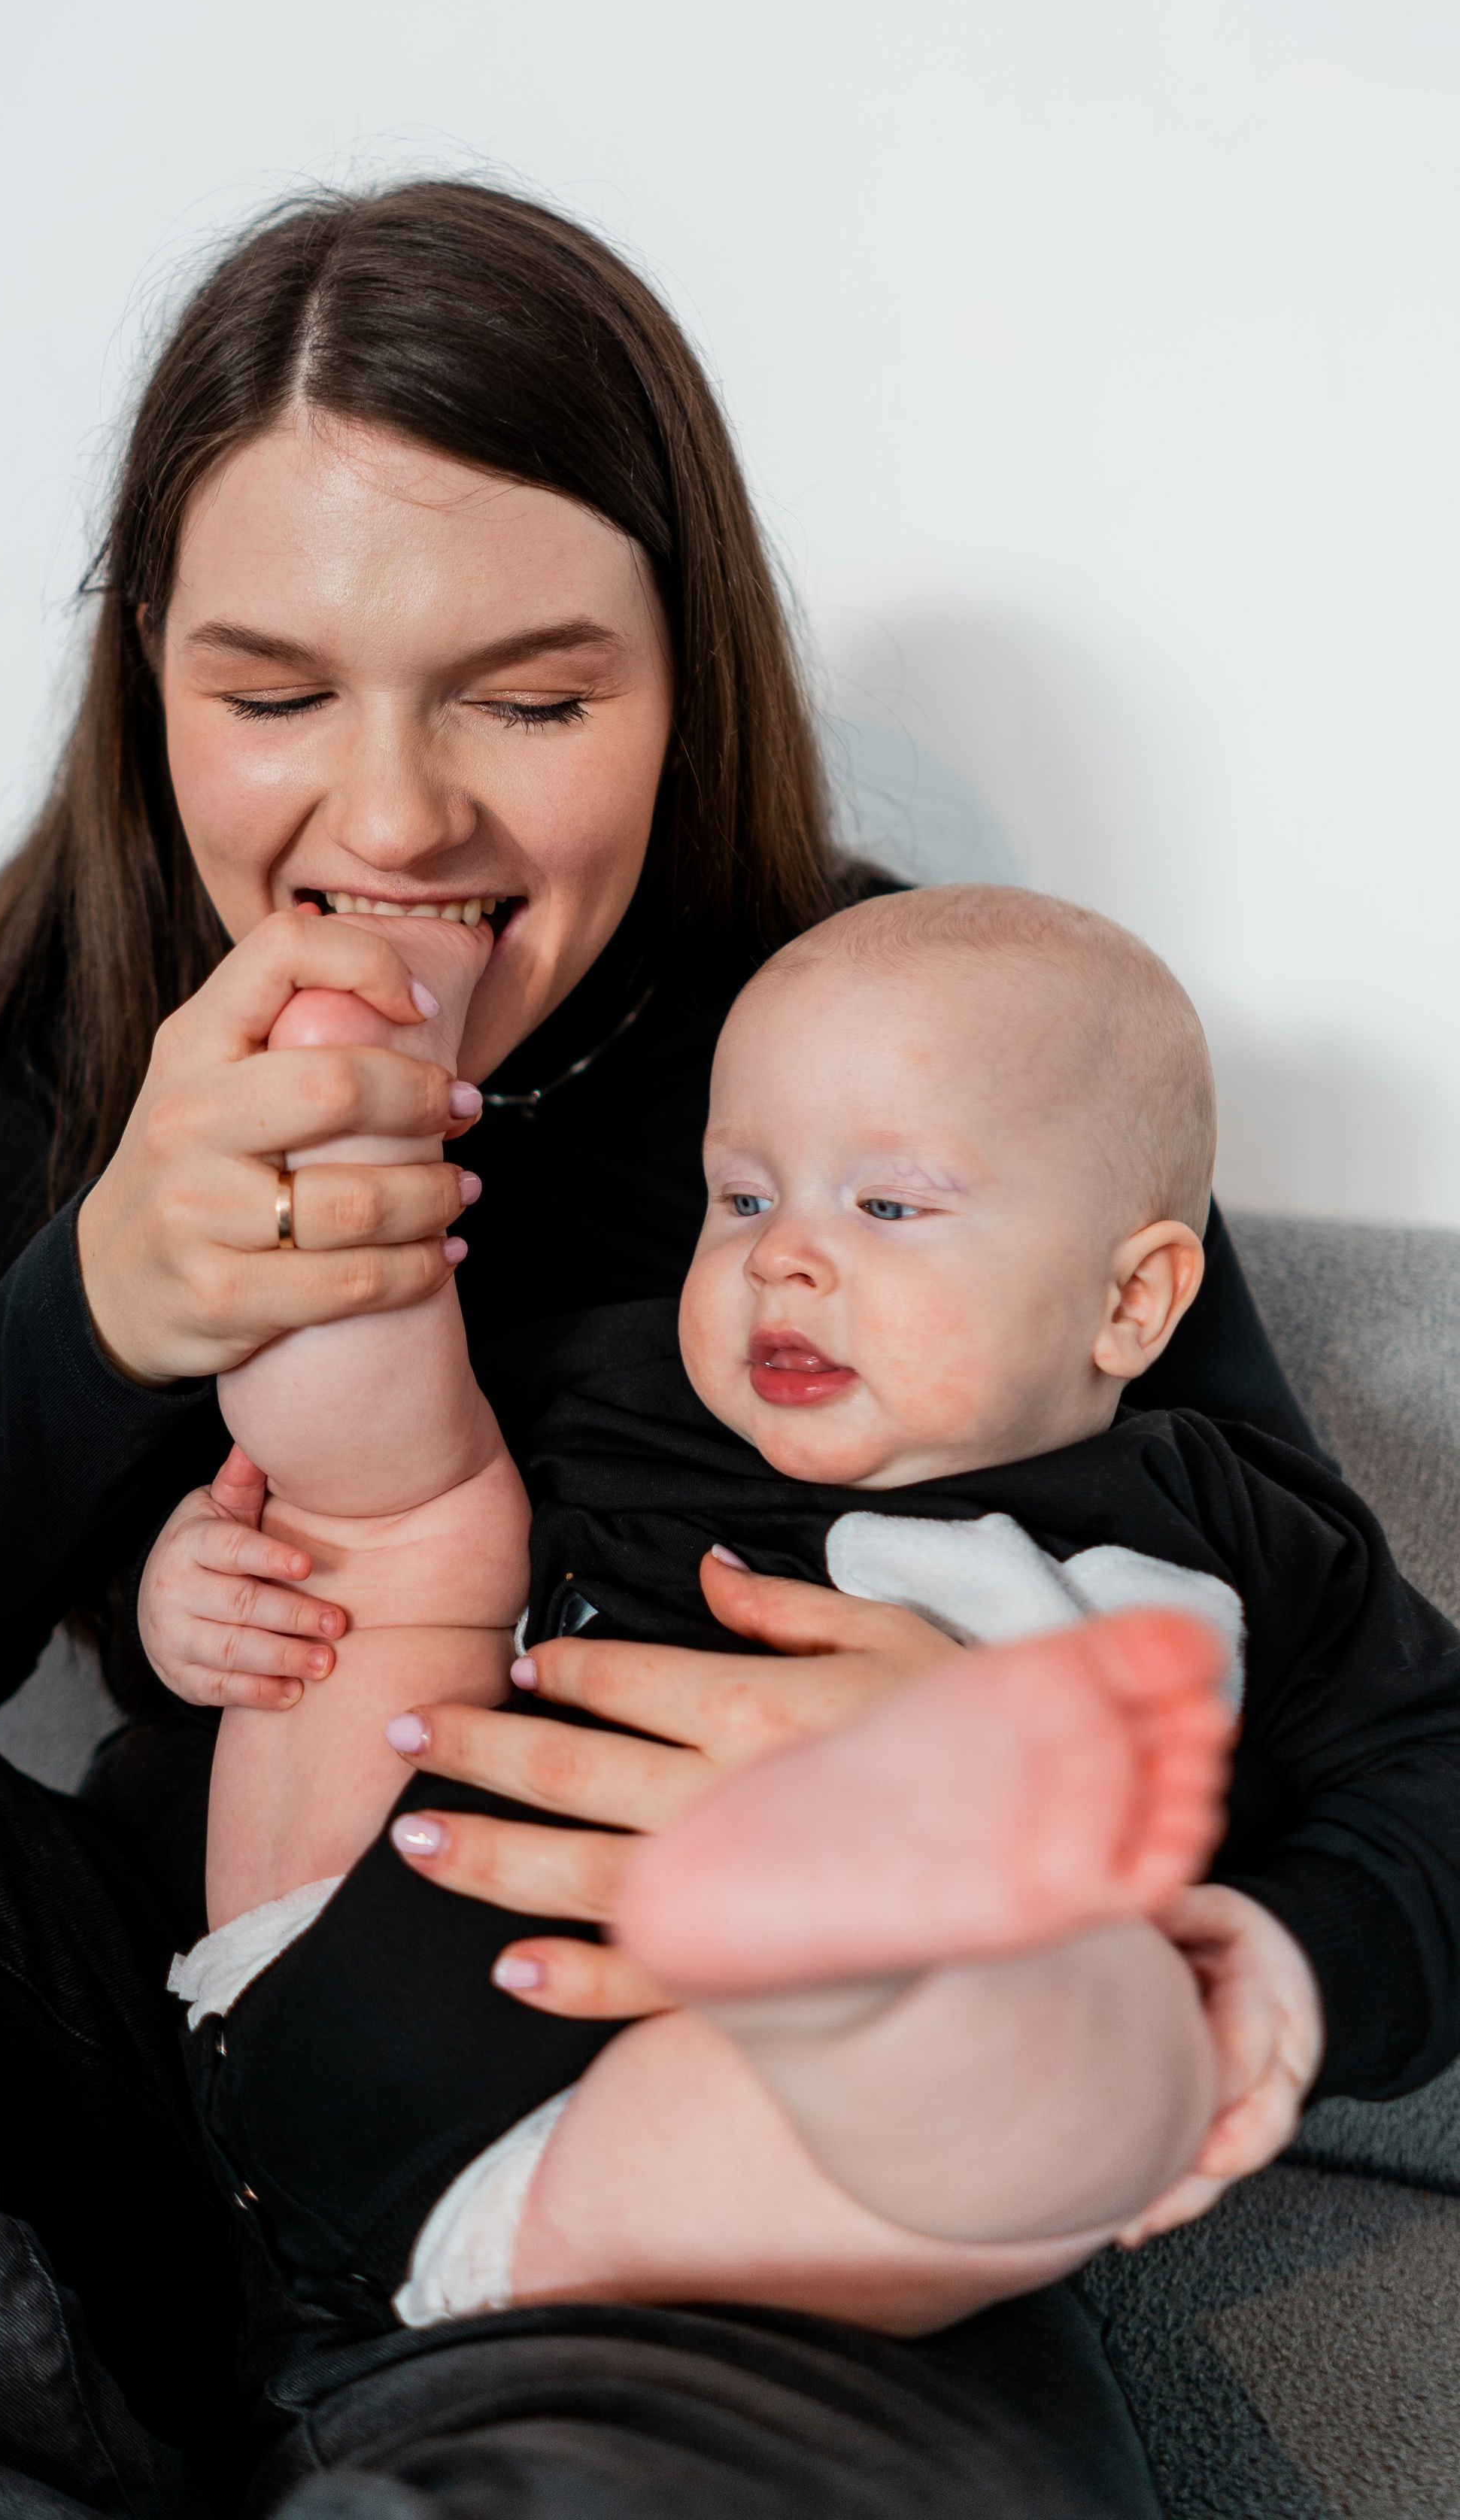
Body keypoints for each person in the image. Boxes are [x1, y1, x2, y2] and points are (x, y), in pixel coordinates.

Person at [0, 183, 1332, 2518]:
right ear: (151, 673)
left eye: (531, 693)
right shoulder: (100, 1031)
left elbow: (1329, 1680)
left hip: (651, 2174)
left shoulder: (909, 1059)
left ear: (687, 677)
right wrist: (100, 1310)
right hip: (120, 2055)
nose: (389, 817)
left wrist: (1004, 1798)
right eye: (273, 695)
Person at [170, 886, 1460, 2343]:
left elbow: (1433, 1775)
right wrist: (206, 1578)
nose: (779, 1255)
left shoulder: (1231, 1533)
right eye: (740, 1196)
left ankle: (1106, 2058)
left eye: (886, 1205)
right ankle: (353, 1109)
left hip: (619, 2163)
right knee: (401, 1510)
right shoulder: (620, 1387)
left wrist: (1273, 1955)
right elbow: (368, 1484)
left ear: (1134, 1301)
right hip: (314, 1923)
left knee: (1008, 2085)